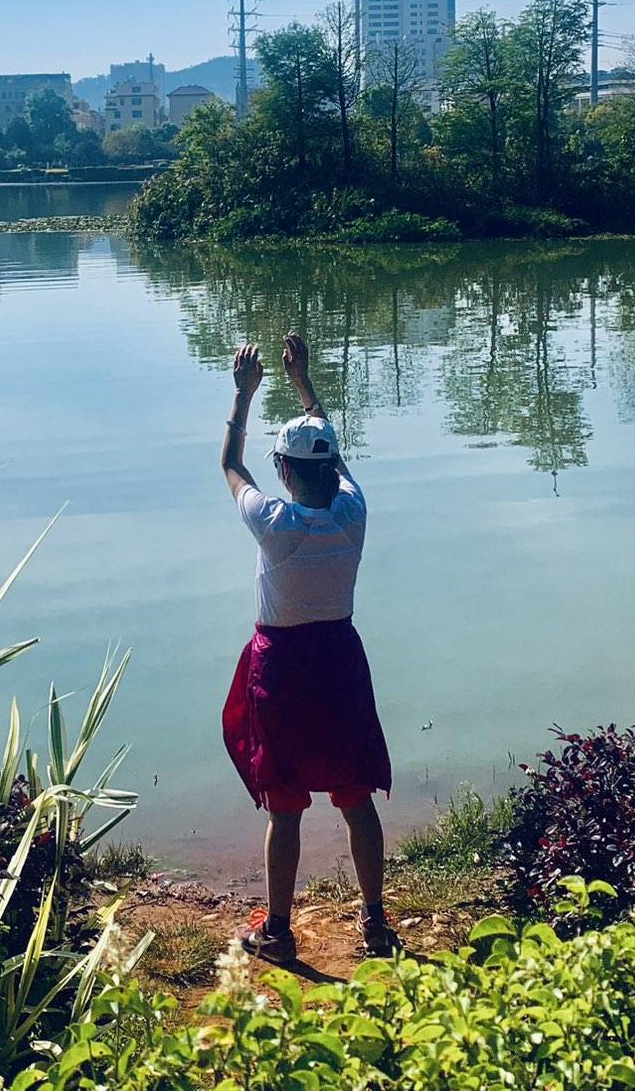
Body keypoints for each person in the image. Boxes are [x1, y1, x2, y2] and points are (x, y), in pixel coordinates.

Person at [220, 333, 398, 962]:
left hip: (284, 670)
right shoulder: (354, 513)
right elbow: (337, 458)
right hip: (340, 663)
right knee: (356, 796)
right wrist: (304, 384)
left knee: (285, 805)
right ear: (330, 469)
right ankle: (375, 923)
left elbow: (230, 467)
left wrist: (244, 397)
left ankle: (278, 930)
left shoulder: (274, 523)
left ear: (287, 472)